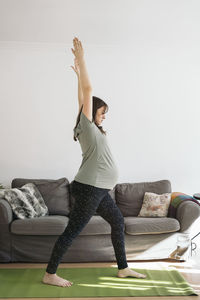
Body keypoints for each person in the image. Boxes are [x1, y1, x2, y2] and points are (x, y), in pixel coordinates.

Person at [42, 37, 146, 288]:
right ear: (93, 112)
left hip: (96, 188)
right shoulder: (87, 127)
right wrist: (82, 60)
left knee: (118, 221)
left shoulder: (90, 127)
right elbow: (87, 94)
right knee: (73, 231)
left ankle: (123, 268)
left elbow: (81, 99)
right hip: (90, 187)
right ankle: (49, 274)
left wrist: (77, 74)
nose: (104, 117)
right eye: (102, 112)